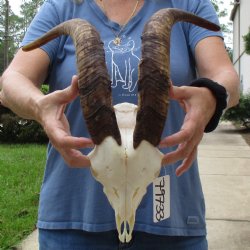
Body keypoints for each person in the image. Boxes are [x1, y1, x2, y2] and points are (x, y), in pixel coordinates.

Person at [0, 0, 239, 249]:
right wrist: (39, 106)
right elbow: (12, 81)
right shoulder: (62, 6)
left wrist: (212, 95)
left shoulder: (190, 3)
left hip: (171, 222)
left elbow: (225, 76)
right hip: (73, 221)